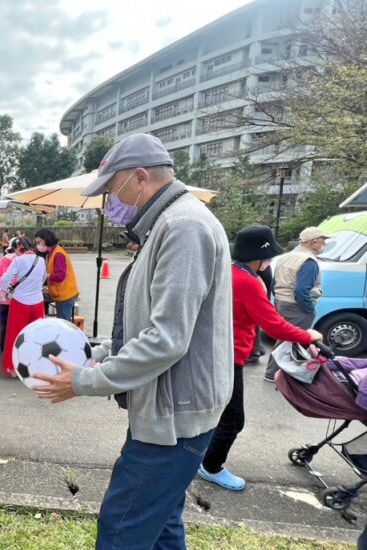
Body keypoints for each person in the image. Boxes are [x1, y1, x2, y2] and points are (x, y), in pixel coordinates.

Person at [32, 133, 233, 550]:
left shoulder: (183, 227)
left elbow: (167, 339)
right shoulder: (167, 223)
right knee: (162, 524)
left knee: (122, 529)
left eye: (111, 190)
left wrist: (86, 381)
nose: (110, 201)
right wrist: (96, 351)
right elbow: (148, 322)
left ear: (140, 177)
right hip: (169, 408)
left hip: (175, 416)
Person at [198, 225, 322, 491]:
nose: (268, 263)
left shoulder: (226, 272)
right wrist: (307, 336)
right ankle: (210, 467)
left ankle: (200, 456)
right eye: (267, 258)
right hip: (229, 356)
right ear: (259, 257)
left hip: (213, 350)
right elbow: (274, 325)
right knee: (233, 421)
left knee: (216, 413)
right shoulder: (248, 281)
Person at [264, 226, 331, 382]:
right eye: (323, 241)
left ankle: (279, 373)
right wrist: (309, 309)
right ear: (314, 242)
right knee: (289, 340)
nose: (324, 244)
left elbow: (274, 283)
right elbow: (302, 290)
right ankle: (275, 375)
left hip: (282, 301)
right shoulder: (309, 261)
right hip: (296, 306)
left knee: (284, 338)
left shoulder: (285, 256)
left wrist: (280, 298)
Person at [0, 237, 47, 377]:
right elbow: (43, 279)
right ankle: (36, 366)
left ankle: (13, 368)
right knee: (36, 336)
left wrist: (7, 290)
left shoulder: (18, 260)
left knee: (15, 335)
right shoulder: (41, 260)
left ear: (19, 247)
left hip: (20, 302)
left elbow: (4, 280)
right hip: (37, 302)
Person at [34, 228, 79, 322]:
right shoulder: (51, 253)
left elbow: (60, 276)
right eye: (36, 243)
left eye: (39, 242)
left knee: (63, 324)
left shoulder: (58, 254)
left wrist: (46, 275)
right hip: (60, 293)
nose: (38, 245)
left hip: (65, 295)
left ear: (46, 239)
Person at [0, 238, 19, 350]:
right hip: (18, 297)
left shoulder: (1, 261)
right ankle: (15, 348)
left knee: (5, 324)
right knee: (16, 324)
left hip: (5, 298)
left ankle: (4, 347)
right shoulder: (20, 260)